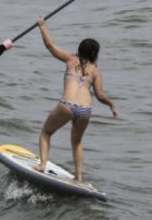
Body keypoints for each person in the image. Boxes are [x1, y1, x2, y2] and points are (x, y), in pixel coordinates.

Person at [34, 17, 117, 182]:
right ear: (96, 54)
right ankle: (79, 177)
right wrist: (111, 105)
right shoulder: (95, 71)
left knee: (46, 132)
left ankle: (42, 165)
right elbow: (100, 95)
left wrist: (42, 26)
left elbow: (50, 46)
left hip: (67, 105)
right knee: (77, 142)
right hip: (85, 110)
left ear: (80, 49)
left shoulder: (71, 59)